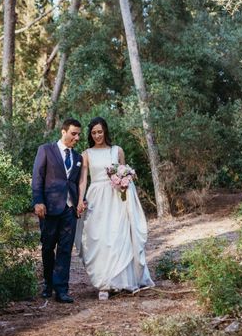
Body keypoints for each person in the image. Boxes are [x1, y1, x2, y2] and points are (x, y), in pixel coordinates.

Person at [75, 117, 154, 300]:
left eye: (100, 132)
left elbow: (124, 171)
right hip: (96, 198)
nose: (97, 136)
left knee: (118, 236)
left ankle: (122, 281)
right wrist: (80, 199)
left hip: (116, 197)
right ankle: (104, 284)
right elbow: (83, 180)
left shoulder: (117, 150)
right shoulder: (86, 154)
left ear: (105, 132)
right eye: (94, 133)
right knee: (100, 238)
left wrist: (125, 183)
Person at [32, 118, 85, 303]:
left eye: (79, 134)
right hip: (49, 208)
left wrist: (81, 201)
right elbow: (37, 177)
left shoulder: (78, 158)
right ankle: (48, 284)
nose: (77, 137)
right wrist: (38, 201)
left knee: (65, 249)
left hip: (69, 210)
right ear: (63, 132)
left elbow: (77, 183)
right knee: (48, 247)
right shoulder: (46, 150)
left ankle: (62, 289)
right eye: (73, 133)